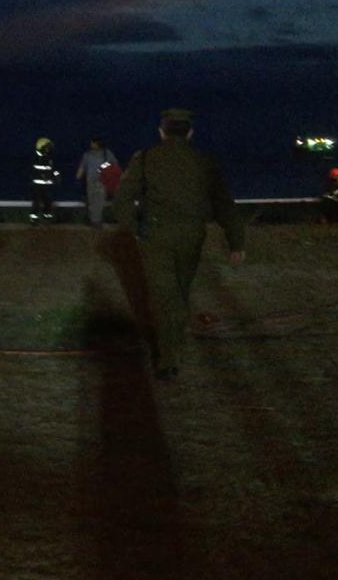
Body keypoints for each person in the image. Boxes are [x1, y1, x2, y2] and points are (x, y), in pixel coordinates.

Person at [112, 108, 245, 381]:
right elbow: (224, 204)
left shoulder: (146, 157)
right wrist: (236, 241)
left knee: (163, 296)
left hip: (156, 236)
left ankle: (167, 358)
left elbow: (123, 198)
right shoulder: (203, 160)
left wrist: (134, 229)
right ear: (190, 132)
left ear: (162, 131)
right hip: (191, 235)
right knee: (180, 292)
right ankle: (174, 348)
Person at [75, 137, 118, 227]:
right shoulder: (87, 155)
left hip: (102, 181)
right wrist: (78, 176)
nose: (91, 145)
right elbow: (83, 166)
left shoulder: (106, 154)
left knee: (99, 201)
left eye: (93, 143)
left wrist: (103, 167)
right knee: (91, 201)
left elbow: (114, 163)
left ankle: (97, 220)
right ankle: (93, 220)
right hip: (90, 181)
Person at [30, 137, 59, 224]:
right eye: (47, 147)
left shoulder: (50, 159)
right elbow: (31, 171)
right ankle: (34, 219)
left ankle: (47, 218)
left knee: (48, 202)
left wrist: (57, 177)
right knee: (36, 203)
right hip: (37, 186)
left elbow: (54, 169)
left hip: (48, 186)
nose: (48, 149)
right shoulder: (35, 158)